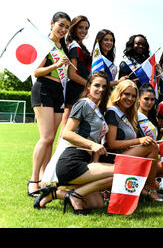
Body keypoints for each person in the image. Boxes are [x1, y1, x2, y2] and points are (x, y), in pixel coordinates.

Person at [34, 71, 113, 214]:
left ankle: (54, 193)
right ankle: (75, 196)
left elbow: (97, 139)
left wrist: (95, 160)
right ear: (88, 86)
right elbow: (67, 133)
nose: (100, 89)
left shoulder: (98, 109)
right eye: (97, 85)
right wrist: (92, 145)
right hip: (72, 161)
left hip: (86, 161)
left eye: (104, 86)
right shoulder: (83, 104)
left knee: (97, 204)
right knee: (118, 171)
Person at [29, 12, 71, 197]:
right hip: (43, 90)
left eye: (67, 27)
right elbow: (36, 71)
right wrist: (56, 66)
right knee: (45, 138)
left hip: (57, 93)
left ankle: (45, 179)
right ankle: (33, 180)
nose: (63, 30)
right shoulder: (45, 44)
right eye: (60, 25)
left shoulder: (63, 47)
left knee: (51, 140)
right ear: (51, 24)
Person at [103, 80, 162, 201]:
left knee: (160, 165)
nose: (130, 98)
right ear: (119, 94)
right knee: (152, 147)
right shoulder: (112, 113)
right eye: (126, 94)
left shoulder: (129, 114)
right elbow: (111, 143)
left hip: (125, 155)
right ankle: (150, 189)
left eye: (133, 96)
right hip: (113, 158)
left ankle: (148, 187)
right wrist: (138, 141)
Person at [60, 15, 91, 140]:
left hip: (81, 91)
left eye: (86, 28)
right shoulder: (74, 46)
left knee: (75, 131)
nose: (84, 31)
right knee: (66, 131)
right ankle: (57, 159)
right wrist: (89, 85)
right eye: (80, 27)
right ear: (74, 28)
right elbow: (72, 74)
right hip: (74, 92)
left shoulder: (80, 46)